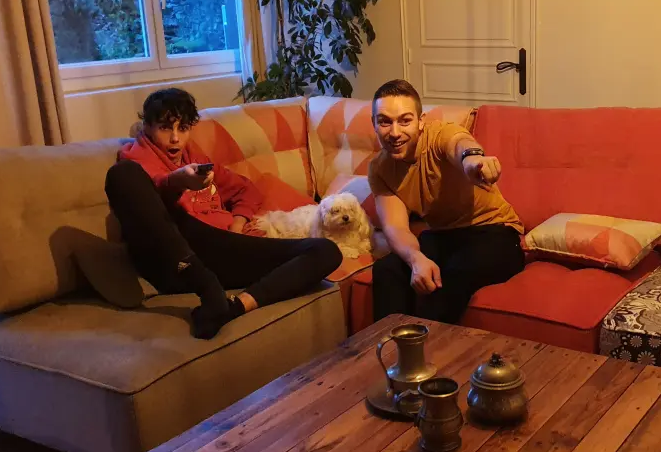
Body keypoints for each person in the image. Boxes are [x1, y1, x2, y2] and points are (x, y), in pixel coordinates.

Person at [105, 88, 342, 339]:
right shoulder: (135, 159)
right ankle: (206, 287)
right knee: (122, 175)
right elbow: (153, 200)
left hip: (219, 249)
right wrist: (178, 182)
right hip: (175, 256)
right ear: (147, 127)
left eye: (183, 128)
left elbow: (245, 190)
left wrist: (237, 225)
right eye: (165, 128)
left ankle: (232, 308)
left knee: (324, 251)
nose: (175, 138)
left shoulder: (195, 159)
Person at [369, 79, 524, 323]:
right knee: (386, 270)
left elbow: (461, 145)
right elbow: (395, 226)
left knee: (449, 277)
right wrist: (415, 259)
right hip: (442, 236)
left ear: (421, 121)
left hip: (494, 233)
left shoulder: (441, 134)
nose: (395, 132)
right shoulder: (379, 169)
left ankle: (430, 355)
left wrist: (473, 160)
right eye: (385, 122)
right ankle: (388, 351)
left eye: (405, 120)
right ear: (375, 124)